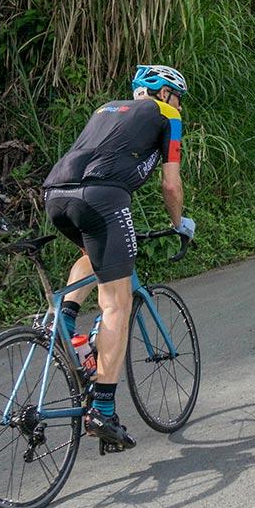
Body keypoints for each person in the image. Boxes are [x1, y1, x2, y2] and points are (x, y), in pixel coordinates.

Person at [41, 64, 196, 450]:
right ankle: (104, 411)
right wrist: (179, 224)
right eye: (178, 97)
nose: (179, 106)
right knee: (117, 304)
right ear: (164, 94)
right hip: (102, 196)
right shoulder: (168, 115)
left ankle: (63, 321)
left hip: (56, 194)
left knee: (91, 254)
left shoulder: (106, 109)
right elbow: (170, 183)